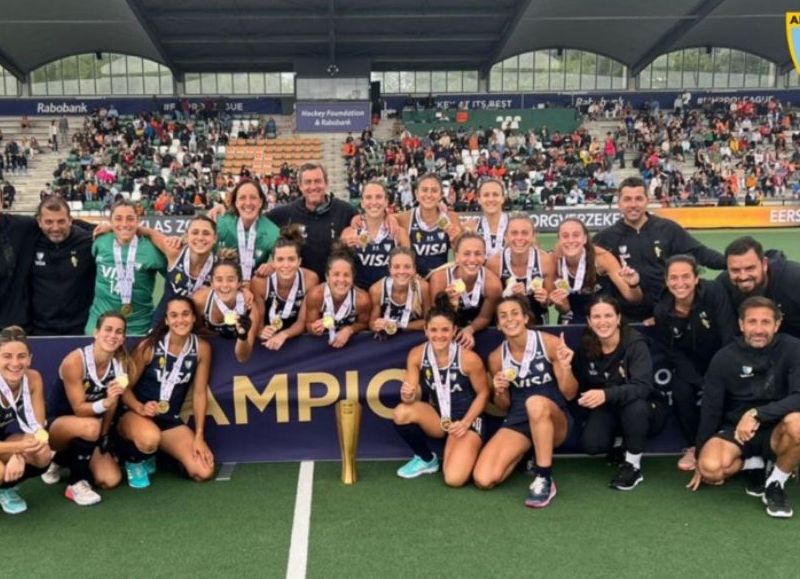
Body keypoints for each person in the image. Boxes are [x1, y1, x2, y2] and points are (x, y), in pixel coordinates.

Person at [689, 297, 800, 519]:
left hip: (778, 428)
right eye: (752, 322)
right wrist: (700, 456)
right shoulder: (724, 357)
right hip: (737, 431)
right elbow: (711, 409)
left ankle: (775, 483)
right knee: (711, 469)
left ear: (777, 325)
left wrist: (757, 414)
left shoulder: (793, 348)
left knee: (798, 424)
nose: (758, 329)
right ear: (741, 324)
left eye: (766, 322)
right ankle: (752, 463)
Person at [472, 297, 577, 508]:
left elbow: (570, 393)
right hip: (520, 420)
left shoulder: (549, 343)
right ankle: (527, 451)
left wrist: (565, 368)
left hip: (554, 418)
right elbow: (503, 406)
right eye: (503, 316)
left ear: (525, 317)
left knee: (535, 403)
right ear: (498, 325)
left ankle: (544, 477)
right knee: (484, 479)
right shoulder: (496, 358)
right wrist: (500, 390)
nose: (510, 319)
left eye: (515, 313)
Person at [593, 176, 725, 321]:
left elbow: (700, 253)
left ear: (647, 201)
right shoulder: (604, 238)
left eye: (638, 199)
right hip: (626, 318)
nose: (633, 204)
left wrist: (729, 263)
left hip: (667, 313)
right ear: (619, 203)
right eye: (627, 199)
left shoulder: (667, 229)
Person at [117, 297, 215, 489]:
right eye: (174, 315)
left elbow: (199, 394)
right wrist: (140, 407)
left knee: (204, 471)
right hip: (136, 414)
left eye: (186, 314)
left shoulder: (202, 348)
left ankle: (158, 456)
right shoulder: (149, 346)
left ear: (194, 318)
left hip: (169, 420)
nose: (181, 320)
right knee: (149, 439)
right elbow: (124, 388)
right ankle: (133, 459)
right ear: (167, 320)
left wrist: (199, 436)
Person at [392, 293, 489, 486]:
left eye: (445, 330)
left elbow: (484, 394)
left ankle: (470, 449)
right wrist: (407, 394)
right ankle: (426, 459)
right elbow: (409, 397)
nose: (439, 335)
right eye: (433, 330)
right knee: (401, 412)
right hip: (439, 419)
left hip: (467, 420)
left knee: (454, 479)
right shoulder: (417, 354)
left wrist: (465, 422)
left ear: (454, 331)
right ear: (426, 330)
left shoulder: (469, 359)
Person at [571, 296, 666, 490]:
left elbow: (642, 387)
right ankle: (620, 442)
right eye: (596, 317)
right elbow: (577, 388)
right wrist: (565, 366)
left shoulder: (635, 343)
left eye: (608, 315)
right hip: (610, 408)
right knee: (593, 446)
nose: (602, 322)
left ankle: (633, 465)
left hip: (645, 409)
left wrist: (606, 394)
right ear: (589, 321)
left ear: (618, 318)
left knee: (635, 407)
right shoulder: (586, 347)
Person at [652, 255, 737, 471]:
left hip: (723, 357)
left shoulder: (714, 292)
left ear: (696, 278)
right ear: (666, 280)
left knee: (721, 393)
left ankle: (721, 442)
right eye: (673, 278)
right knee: (681, 391)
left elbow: (728, 334)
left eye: (685, 277)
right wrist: (699, 380)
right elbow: (673, 352)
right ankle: (693, 446)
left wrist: (715, 376)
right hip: (690, 363)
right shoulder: (662, 310)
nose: (679, 283)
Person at [45, 312, 132, 505]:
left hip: (89, 428)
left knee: (110, 479)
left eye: (119, 332)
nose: (113, 335)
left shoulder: (118, 366)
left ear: (123, 338)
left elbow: (113, 404)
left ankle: (61, 460)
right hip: (56, 427)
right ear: (96, 332)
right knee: (90, 425)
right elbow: (79, 410)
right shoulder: (75, 361)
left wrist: (103, 437)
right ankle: (76, 484)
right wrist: (106, 403)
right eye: (108, 329)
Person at [85, 200, 166, 335]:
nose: (124, 224)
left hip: (138, 326)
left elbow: (174, 280)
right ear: (110, 221)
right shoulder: (100, 242)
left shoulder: (151, 250)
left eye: (130, 219)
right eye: (118, 219)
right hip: (100, 324)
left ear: (138, 220)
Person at [267, 163, 358, 280]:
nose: (313, 186)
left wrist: (388, 217)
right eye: (308, 182)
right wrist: (269, 262)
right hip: (302, 286)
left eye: (318, 181)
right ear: (300, 186)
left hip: (336, 284)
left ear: (326, 183)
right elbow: (257, 221)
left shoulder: (345, 210)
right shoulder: (286, 212)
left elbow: (370, 219)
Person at [0, 326, 51, 515]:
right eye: (6, 356)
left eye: (21, 356)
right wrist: (18, 449)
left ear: (29, 359)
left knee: (42, 453)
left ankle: (5, 489)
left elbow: (38, 430)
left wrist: (20, 453)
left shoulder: (33, 379)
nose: (15, 363)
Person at [553, 218, 642, 325]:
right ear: (559, 240)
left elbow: (633, 298)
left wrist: (633, 284)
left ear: (585, 238)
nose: (571, 240)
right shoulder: (555, 262)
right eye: (565, 236)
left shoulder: (602, 259)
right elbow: (564, 309)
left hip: (602, 319)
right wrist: (560, 304)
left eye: (576, 235)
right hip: (573, 319)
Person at [30, 195, 96, 335]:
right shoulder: (30, 240)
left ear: (70, 220)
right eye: (49, 222)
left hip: (80, 327)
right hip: (40, 329)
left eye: (61, 221)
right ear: (39, 222)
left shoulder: (88, 241)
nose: (55, 228)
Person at [428, 232, 502, 350]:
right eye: (466, 254)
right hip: (447, 329)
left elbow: (485, 318)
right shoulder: (440, 278)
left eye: (478, 254)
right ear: (457, 256)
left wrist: (469, 330)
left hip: (478, 329)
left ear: (484, 256)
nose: (472, 260)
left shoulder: (493, 284)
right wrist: (450, 305)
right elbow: (436, 318)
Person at [252, 225, 319, 351]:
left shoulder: (310, 279)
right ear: (273, 262)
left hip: (296, 339)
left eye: (291, 259)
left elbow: (302, 322)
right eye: (280, 260)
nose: (286, 265)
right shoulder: (260, 283)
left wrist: (283, 335)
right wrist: (261, 331)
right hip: (267, 342)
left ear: (299, 261)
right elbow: (258, 323)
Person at [717, 236, 800, 338]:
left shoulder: (794, 279)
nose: (743, 276)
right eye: (735, 270)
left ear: (764, 264)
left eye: (750, 268)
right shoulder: (722, 286)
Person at [140, 215, 217, 324]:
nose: (200, 238)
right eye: (195, 232)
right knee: (148, 341)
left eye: (206, 233)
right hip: (165, 318)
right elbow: (151, 233)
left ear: (215, 238)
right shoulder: (175, 252)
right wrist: (112, 227)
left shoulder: (219, 267)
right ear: (187, 235)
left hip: (198, 323)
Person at [486, 212, 554, 326]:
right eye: (514, 233)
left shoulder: (545, 261)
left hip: (537, 321)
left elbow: (550, 301)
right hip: (507, 324)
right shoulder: (494, 263)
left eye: (525, 233)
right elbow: (489, 303)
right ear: (506, 236)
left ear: (533, 236)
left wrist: (545, 299)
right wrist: (508, 294)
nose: (519, 238)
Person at [340, 180, 410, 290]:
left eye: (378, 197)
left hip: (389, 294)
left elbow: (408, 268)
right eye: (368, 197)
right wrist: (345, 248)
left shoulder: (398, 233)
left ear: (386, 201)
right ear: (362, 202)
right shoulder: (349, 232)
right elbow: (341, 270)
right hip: (360, 297)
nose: (373, 202)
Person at [193, 257, 261, 363]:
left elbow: (243, 357)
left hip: (234, 358)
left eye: (230, 280)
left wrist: (243, 336)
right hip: (210, 353)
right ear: (211, 283)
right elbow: (194, 330)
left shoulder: (249, 307)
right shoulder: (200, 300)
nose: (225, 285)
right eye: (219, 280)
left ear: (239, 283)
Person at [395, 174, 463, 277]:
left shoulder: (451, 217)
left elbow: (461, 253)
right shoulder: (406, 218)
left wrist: (456, 238)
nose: (429, 195)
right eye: (424, 190)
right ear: (416, 194)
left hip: (441, 279)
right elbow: (384, 218)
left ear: (441, 195)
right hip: (415, 281)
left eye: (434, 191)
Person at [305, 248, 371, 349]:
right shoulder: (316, 295)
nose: (341, 280)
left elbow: (364, 323)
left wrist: (349, 330)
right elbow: (309, 324)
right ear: (327, 276)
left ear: (353, 277)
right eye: (336, 274)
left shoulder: (362, 300)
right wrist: (314, 329)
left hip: (350, 345)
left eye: (346, 275)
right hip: (321, 347)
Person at [216, 179, 279, 284]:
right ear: (236, 202)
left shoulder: (272, 232)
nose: (248, 203)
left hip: (255, 288)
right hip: (223, 285)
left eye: (253, 198)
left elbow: (284, 261)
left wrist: (272, 265)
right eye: (242, 198)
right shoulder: (221, 223)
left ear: (260, 202)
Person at [369, 247, 429, 335]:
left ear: (414, 268)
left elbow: (429, 321)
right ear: (389, 268)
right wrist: (377, 325)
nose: (401, 271)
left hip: (412, 337)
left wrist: (398, 325)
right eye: (396, 267)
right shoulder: (377, 290)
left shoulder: (423, 287)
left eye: (407, 267)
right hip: (386, 339)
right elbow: (371, 324)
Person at [470, 178, 509, 259]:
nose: (491, 199)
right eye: (486, 195)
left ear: (503, 198)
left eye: (495, 195)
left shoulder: (516, 226)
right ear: (479, 200)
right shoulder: (470, 227)